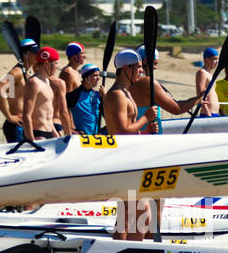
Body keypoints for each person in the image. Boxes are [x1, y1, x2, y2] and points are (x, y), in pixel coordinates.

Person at [101, 49, 198, 239]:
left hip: (129, 156)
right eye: (136, 67)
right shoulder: (117, 95)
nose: (140, 70)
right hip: (123, 157)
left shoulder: (124, 93)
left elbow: (128, 129)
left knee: (130, 214)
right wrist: (146, 117)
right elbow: (121, 131)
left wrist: (145, 129)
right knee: (137, 213)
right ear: (125, 68)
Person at [0, 38, 38, 143]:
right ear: (25, 54)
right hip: (17, 125)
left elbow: (13, 94)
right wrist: (9, 116)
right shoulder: (16, 72)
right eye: (35, 53)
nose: (37, 56)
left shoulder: (26, 72)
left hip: (24, 124)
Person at [22, 46, 72, 140]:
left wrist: (55, 134)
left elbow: (47, 113)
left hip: (49, 133)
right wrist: (32, 141)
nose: (58, 66)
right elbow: (26, 115)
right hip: (38, 134)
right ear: (46, 63)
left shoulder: (47, 81)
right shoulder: (33, 83)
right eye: (56, 63)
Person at [66, 62, 103, 136]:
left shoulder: (97, 95)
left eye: (99, 75)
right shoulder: (74, 95)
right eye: (95, 75)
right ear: (86, 78)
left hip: (96, 136)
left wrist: (105, 97)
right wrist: (70, 129)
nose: (98, 78)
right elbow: (61, 112)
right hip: (81, 138)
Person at [193, 47, 219, 116]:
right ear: (207, 60)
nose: (217, 62)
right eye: (215, 59)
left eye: (217, 59)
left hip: (214, 112)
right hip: (208, 113)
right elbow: (200, 94)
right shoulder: (202, 73)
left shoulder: (209, 74)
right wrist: (207, 112)